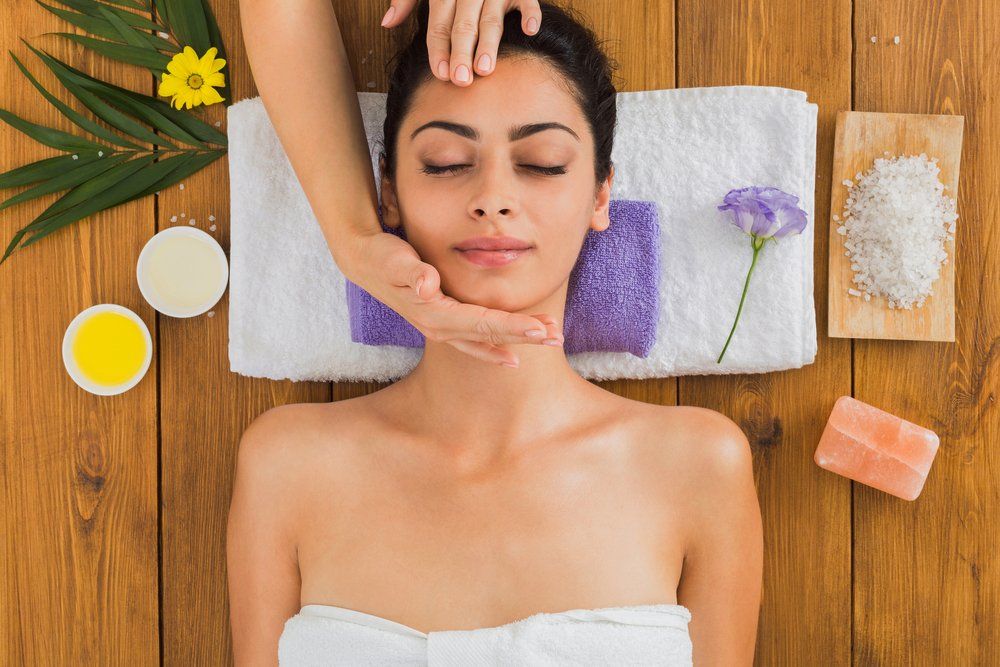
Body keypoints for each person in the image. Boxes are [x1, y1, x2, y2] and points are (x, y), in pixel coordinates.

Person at [228, 1, 764, 664]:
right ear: (388, 191)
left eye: (540, 162)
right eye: (448, 162)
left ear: (601, 195)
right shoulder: (290, 463)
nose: (493, 197)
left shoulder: (698, 464)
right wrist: (354, 241)